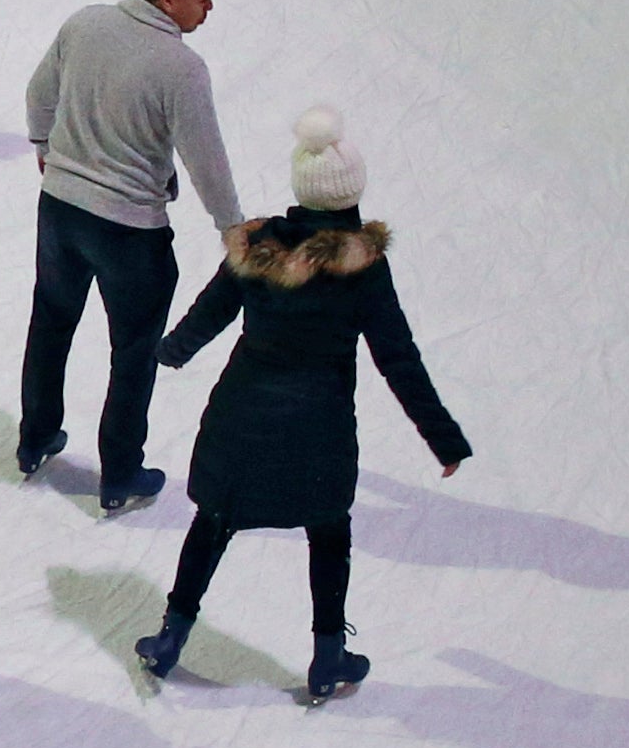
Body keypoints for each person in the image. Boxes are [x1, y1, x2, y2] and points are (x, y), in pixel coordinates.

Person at [133, 109, 471, 708]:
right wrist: (442, 438)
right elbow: (399, 357)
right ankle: (328, 656)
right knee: (329, 529)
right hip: (318, 425)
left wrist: (170, 351)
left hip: (242, 413)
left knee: (212, 521)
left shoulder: (259, 246)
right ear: (352, 192)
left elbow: (213, 308)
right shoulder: (363, 267)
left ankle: (170, 637)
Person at [21, 0, 249, 513]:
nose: (209, 7)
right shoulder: (181, 66)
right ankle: (119, 473)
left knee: (51, 322)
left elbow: (38, 92)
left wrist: (46, 145)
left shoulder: (86, 23)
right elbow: (205, 155)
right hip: (129, 233)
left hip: (61, 213)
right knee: (134, 352)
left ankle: (35, 437)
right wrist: (231, 226)